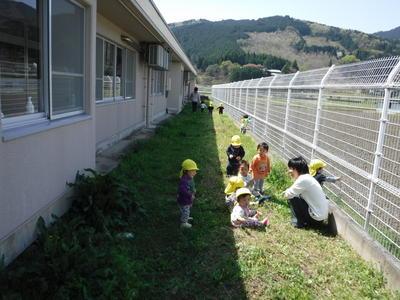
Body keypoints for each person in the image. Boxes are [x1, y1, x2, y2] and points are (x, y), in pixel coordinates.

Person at [283, 156, 329, 229]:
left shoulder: (303, 180)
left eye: (290, 168)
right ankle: (303, 221)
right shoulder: (307, 177)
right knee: (296, 195)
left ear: (296, 169)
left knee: (293, 197)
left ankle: (298, 223)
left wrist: (286, 191)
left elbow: (287, 195)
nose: (289, 171)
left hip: (315, 219)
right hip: (320, 218)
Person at [177, 159, 199, 228]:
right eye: (194, 171)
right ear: (187, 171)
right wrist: (190, 195)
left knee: (186, 210)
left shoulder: (189, 177)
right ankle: (184, 223)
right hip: (184, 200)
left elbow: (191, 186)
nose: (195, 172)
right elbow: (183, 191)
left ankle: (185, 217)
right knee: (186, 210)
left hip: (187, 199)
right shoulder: (184, 181)